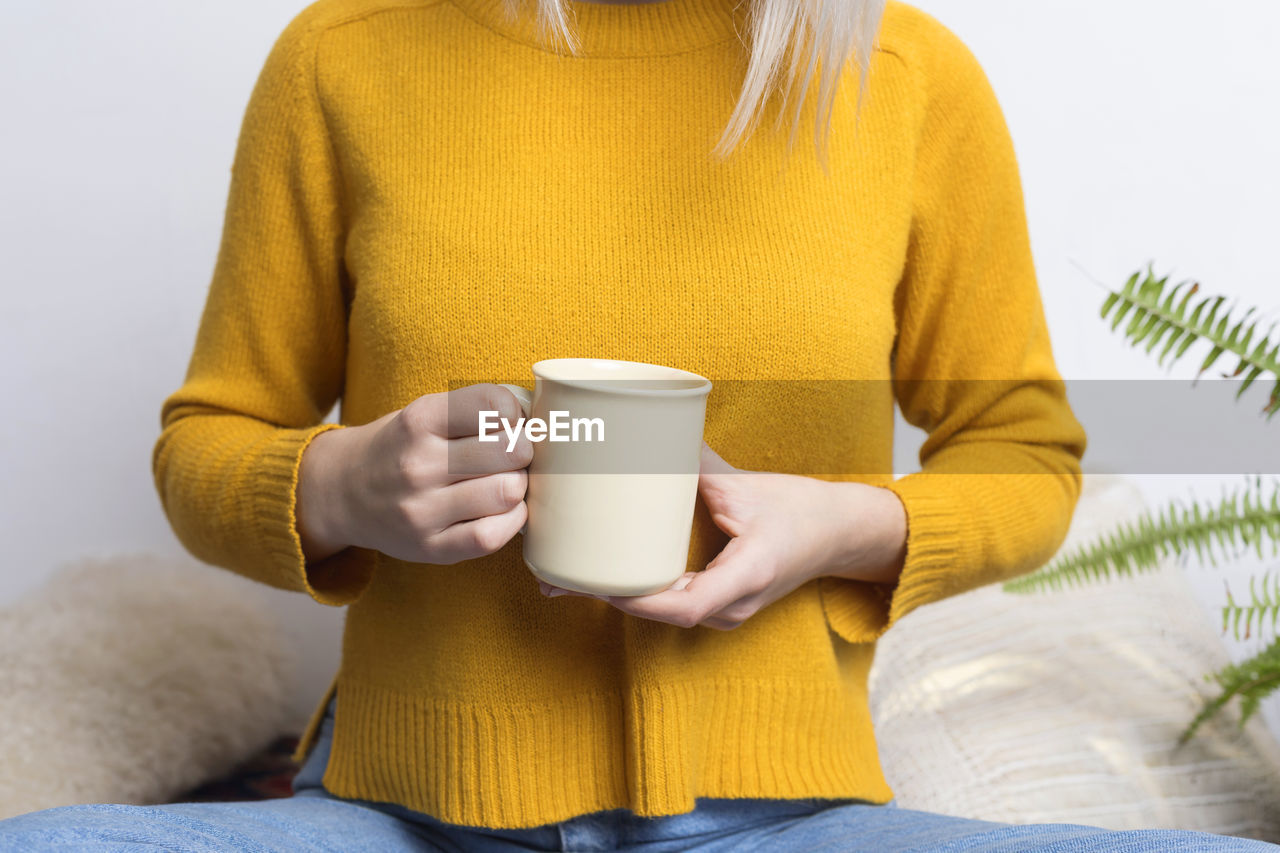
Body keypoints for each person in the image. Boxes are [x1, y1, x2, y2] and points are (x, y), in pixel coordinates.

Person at [1, 0, 1274, 849]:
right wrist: (335, 487)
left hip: (786, 816)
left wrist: (843, 524)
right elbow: (206, 439)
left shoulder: (902, 77)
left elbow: (1024, 453)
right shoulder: (344, 56)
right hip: (400, 808)